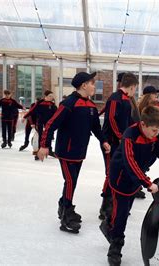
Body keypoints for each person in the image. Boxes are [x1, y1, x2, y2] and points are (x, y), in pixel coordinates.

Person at [100, 106, 159, 265]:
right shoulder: (130, 135)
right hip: (121, 178)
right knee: (121, 214)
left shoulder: (156, 136)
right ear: (143, 124)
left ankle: (108, 224)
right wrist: (148, 183)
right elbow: (130, 162)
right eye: (154, 130)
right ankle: (115, 247)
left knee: (124, 210)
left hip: (136, 178)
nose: (157, 134)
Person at [37, 72, 111, 233]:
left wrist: (104, 140)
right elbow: (51, 124)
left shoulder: (91, 106)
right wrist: (44, 145)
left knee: (73, 182)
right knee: (70, 182)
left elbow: (96, 128)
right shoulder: (68, 103)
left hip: (79, 152)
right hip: (66, 151)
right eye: (92, 83)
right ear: (84, 85)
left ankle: (64, 205)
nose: (94, 86)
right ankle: (66, 215)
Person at [99, 73, 139, 220]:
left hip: (119, 141)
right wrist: (120, 136)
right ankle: (105, 205)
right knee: (110, 172)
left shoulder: (125, 99)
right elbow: (111, 118)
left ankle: (113, 203)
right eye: (135, 89)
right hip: (110, 141)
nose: (135, 92)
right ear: (132, 86)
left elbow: (127, 121)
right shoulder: (116, 98)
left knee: (116, 171)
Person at [24, 90, 57, 160]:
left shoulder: (52, 104)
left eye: (52, 96)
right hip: (40, 122)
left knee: (49, 136)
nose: (51, 98)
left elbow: (57, 113)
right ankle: (39, 152)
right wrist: (24, 117)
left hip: (49, 123)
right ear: (46, 96)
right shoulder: (39, 103)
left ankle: (50, 150)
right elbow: (32, 110)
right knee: (41, 137)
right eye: (50, 96)